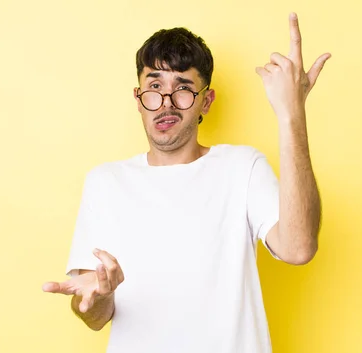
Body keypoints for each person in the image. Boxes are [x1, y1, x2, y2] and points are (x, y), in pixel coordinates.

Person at [43, 12, 330, 353]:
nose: (166, 103)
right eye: (154, 86)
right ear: (138, 99)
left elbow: (298, 248)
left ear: (205, 102)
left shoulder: (242, 167)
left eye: (183, 89)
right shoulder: (105, 183)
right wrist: (100, 298)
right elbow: (93, 316)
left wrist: (291, 112)